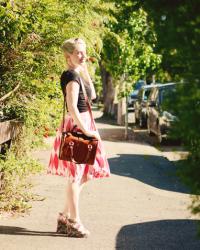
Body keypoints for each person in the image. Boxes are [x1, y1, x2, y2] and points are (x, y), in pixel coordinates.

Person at [46, 37, 111, 237]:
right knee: (76, 176)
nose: (83, 56)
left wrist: (85, 72)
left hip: (83, 123)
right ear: (68, 56)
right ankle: (74, 222)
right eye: (78, 53)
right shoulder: (70, 77)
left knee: (84, 175)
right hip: (78, 126)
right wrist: (87, 131)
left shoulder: (77, 74)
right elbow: (73, 107)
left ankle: (63, 217)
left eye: (84, 52)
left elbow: (91, 97)